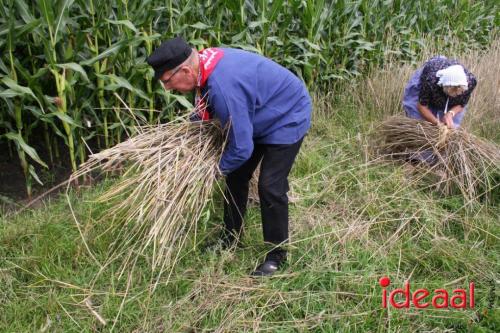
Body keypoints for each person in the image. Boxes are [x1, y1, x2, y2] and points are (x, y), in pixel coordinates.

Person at [146, 37, 312, 276]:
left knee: (270, 186)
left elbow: (241, 148)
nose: (168, 89)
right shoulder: (204, 63)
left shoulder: (223, 88)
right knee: (236, 176)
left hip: (288, 113)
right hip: (259, 112)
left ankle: (277, 255)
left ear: (184, 70)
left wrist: (213, 172)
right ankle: (231, 236)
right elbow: (208, 107)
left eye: (167, 82)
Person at [402, 55, 477, 129]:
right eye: (453, 92)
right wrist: (437, 123)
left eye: (459, 92)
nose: (456, 94)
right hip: (431, 76)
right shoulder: (430, 82)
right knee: (420, 123)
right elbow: (422, 106)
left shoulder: (470, 83)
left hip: (445, 78)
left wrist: (450, 113)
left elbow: (462, 103)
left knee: (450, 125)